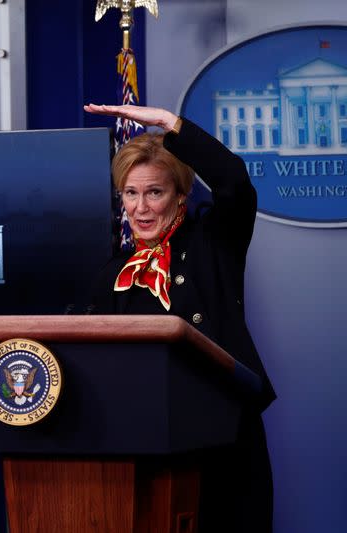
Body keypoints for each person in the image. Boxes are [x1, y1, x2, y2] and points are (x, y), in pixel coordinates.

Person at [84, 103, 275, 533]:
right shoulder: (111, 275)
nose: (140, 207)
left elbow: (235, 184)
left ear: (181, 197)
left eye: (155, 192)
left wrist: (172, 125)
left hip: (222, 443)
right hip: (143, 445)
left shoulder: (214, 245)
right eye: (130, 194)